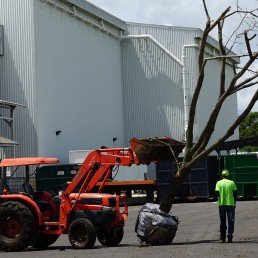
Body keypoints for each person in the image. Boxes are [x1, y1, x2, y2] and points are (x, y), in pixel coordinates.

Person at [215, 169, 237, 243]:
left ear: (222, 175)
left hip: (222, 204)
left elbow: (217, 194)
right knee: (231, 220)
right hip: (231, 204)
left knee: (223, 221)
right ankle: (230, 236)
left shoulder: (218, 183)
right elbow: (235, 194)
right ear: (228, 175)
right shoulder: (232, 183)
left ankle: (223, 237)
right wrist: (235, 203)